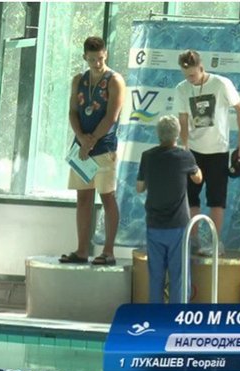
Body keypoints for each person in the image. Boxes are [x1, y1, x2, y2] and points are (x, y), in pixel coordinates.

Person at [59, 36, 125, 266]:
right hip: (82, 149)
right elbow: (72, 112)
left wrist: (91, 141)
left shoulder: (115, 80)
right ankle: (81, 250)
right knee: (83, 197)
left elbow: (111, 116)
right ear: (84, 57)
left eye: (100, 59)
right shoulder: (78, 80)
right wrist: (81, 138)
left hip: (103, 147)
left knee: (107, 197)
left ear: (106, 54)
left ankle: (108, 251)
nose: (97, 63)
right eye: (92, 59)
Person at [174, 50, 240, 255]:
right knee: (191, 197)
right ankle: (194, 240)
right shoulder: (181, 89)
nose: (190, 79)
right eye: (186, 75)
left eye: (192, 74)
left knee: (217, 199)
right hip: (193, 151)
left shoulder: (221, 84)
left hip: (218, 150)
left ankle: (215, 242)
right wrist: (184, 146)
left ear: (201, 68)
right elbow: (182, 119)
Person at [136, 115, 203, 304]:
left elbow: (139, 187)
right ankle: (177, 317)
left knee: (155, 276)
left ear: (158, 134)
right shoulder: (185, 156)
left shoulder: (148, 156)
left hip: (154, 225)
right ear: (177, 134)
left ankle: (156, 317)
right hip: (178, 226)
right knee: (179, 276)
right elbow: (198, 179)